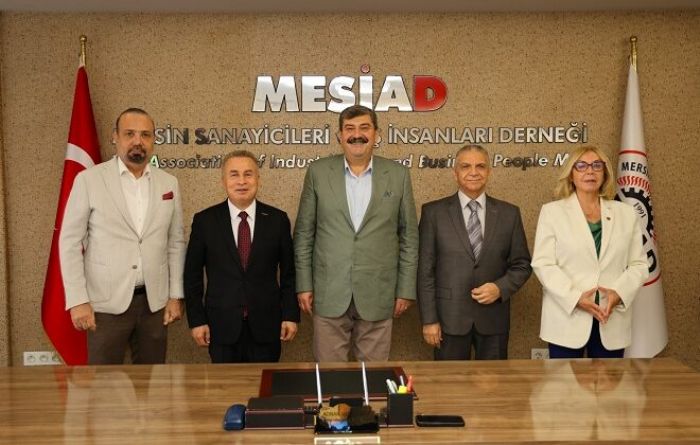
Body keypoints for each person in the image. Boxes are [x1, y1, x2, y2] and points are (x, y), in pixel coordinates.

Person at [59, 107, 185, 364]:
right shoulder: (89, 180)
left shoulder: (168, 183)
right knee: (104, 382)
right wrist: (78, 300)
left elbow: (175, 242)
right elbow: (70, 242)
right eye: (130, 133)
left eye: (145, 134)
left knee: (152, 380)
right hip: (105, 305)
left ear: (153, 140)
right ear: (115, 136)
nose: (138, 141)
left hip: (154, 305)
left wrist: (175, 295)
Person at [294, 105, 418, 362]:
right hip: (329, 290)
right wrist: (304, 284)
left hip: (379, 291)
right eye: (349, 129)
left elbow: (409, 237)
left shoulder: (398, 175)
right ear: (339, 135)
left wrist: (405, 289)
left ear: (376, 134)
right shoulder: (318, 172)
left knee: (372, 376)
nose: (357, 135)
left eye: (364, 128)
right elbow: (304, 234)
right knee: (329, 376)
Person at [531, 145, 649, 358]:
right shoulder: (552, 213)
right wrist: (575, 297)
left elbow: (639, 265)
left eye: (596, 165)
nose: (590, 171)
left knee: (610, 381)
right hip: (566, 317)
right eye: (581, 166)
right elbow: (543, 264)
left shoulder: (626, 213)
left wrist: (619, 293)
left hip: (610, 317)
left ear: (605, 173)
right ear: (571, 174)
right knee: (563, 380)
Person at [417, 144, 532, 360]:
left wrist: (499, 288)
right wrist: (429, 320)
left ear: (489, 171)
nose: (473, 172)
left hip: (493, 320)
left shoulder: (509, 213)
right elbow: (425, 271)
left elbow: (522, 264)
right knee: (450, 380)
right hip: (448, 320)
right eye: (465, 166)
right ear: (455, 173)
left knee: (493, 380)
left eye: (480, 166)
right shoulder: (433, 213)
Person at [184, 150, 298, 363]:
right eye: (234, 174)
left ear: (258, 179)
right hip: (220, 327)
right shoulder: (205, 221)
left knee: (264, 383)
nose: (242, 181)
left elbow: (289, 274)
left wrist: (290, 315)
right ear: (223, 181)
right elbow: (192, 277)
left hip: (267, 326)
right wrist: (197, 320)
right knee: (226, 384)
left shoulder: (278, 220)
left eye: (248, 174)